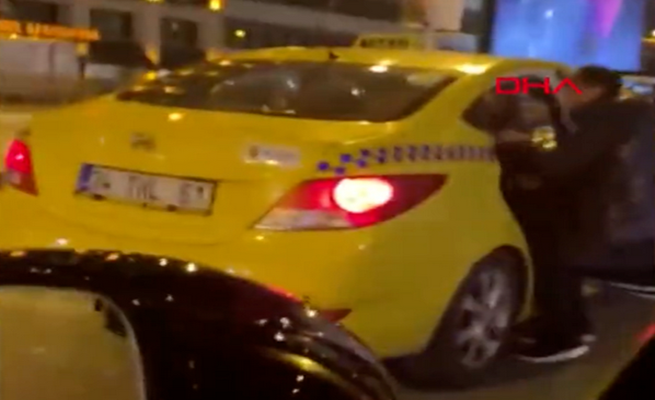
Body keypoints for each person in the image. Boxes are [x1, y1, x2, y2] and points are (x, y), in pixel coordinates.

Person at [496, 66, 655, 363]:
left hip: (607, 217)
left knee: (555, 260)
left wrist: (517, 147)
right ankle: (566, 327)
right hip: (627, 217)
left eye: (570, 87)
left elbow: (559, 164)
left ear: (593, 90)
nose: (564, 92)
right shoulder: (630, 115)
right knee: (560, 261)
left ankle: (565, 336)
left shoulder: (601, 117)